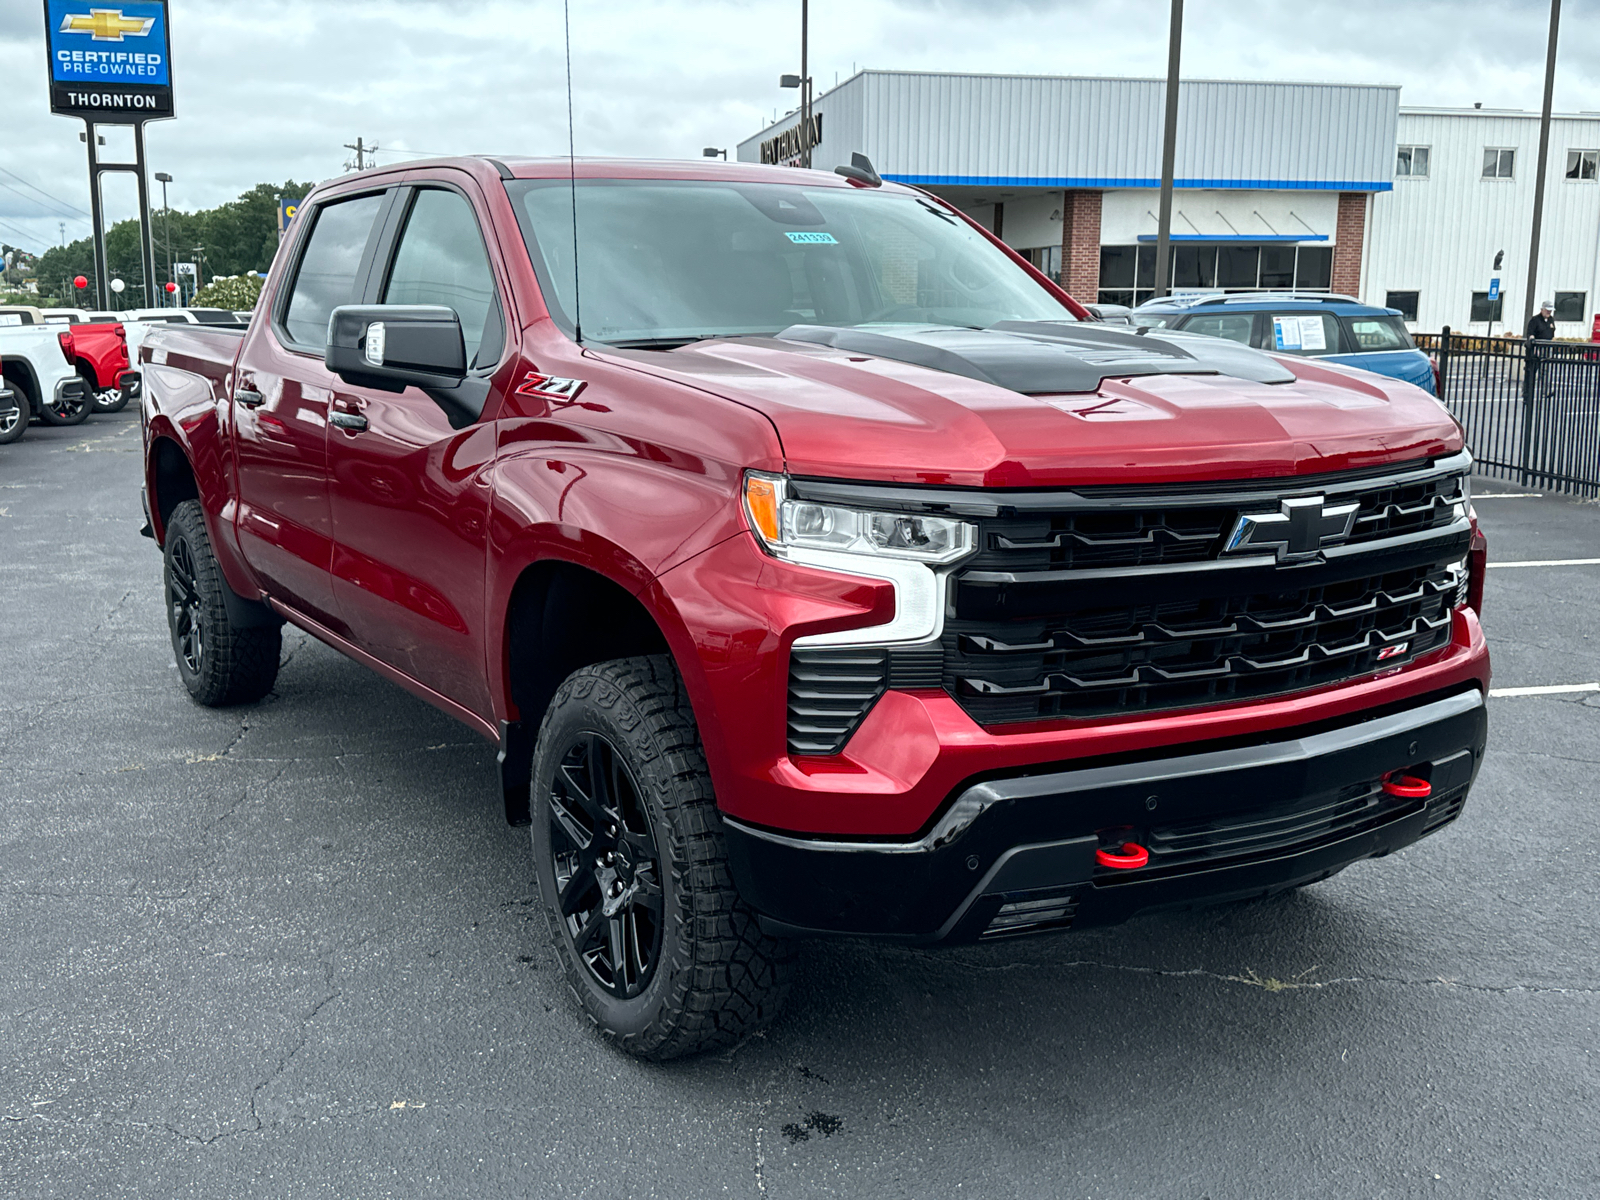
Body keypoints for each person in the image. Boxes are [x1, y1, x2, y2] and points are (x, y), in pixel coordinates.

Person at [1526, 300, 1557, 399]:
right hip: (1536, 349)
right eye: (1547, 310)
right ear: (1542, 309)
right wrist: (1533, 344)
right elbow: (1530, 333)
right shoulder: (1535, 320)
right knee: (1531, 371)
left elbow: (1552, 332)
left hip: (1547, 347)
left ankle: (1545, 391)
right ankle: (1527, 392)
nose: (1549, 312)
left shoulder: (1551, 320)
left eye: (1550, 311)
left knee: (1545, 371)